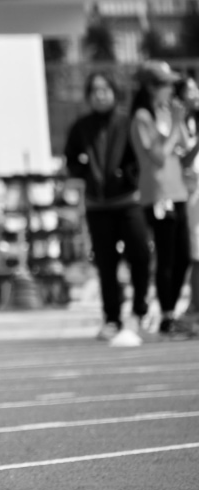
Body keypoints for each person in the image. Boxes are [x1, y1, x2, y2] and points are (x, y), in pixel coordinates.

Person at [63, 72, 151, 345]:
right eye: (95, 90)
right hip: (97, 205)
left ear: (114, 92)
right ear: (89, 95)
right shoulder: (81, 126)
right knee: (106, 264)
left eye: (105, 89)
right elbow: (71, 160)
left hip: (128, 202)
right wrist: (85, 173)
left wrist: (128, 176)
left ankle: (139, 312)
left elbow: (141, 156)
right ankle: (111, 318)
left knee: (140, 256)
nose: (101, 94)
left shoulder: (127, 122)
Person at [128, 61, 194, 338]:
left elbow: (184, 155)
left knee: (183, 256)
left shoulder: (168, 113)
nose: (171, 90)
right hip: (157, 194)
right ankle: (167, 316)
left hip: (178, 191)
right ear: (151, 87)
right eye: (166, 84)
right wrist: (178, 123)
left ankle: (171, 312)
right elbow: (157, 156)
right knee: (166, 257)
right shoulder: (143, 117)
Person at [174, 74, 199, 329]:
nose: (196, 93)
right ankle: (194, 307)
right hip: (192, 194)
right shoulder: (178, 123)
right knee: (197, 254)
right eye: (190, 90)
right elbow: (184, 161)